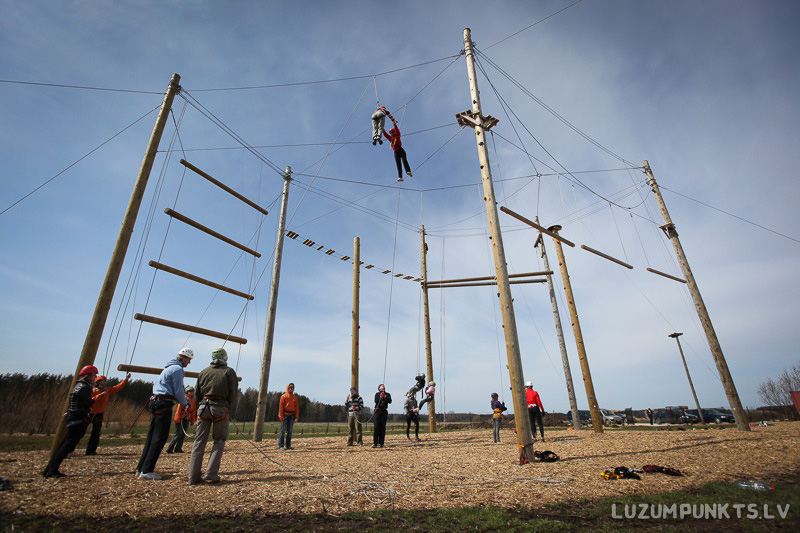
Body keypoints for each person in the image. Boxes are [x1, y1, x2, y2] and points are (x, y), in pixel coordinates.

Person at [135, 347, 193, 480]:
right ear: (183, 358)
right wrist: (185, 403)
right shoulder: (178, 370)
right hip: (164, 404)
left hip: (155, 402)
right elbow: (178, 390)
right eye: (188, 359)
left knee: (151, 437)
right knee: (160, 438)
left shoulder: (167, 368)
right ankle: (147, 470)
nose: (189, 362)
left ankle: (140, 468)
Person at [189, 348, 238, 485]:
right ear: (225, 358)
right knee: (219, 441)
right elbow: (233, 392)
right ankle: (211, 474)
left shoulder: (204, 372)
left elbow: (197, 392)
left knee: (199, 442)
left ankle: (193, 477)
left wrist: (200, 405)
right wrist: (228, 406)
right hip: (220, 407)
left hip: (203, 407)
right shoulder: (228, 372)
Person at [43, 365, 98, 478]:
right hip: (78, 419)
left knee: (65, 444)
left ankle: (50, 469)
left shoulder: (78, 385)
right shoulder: (84, 387)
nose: (95, 377)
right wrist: (96, 398)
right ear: (89, 376)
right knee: (67, 446)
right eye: (94, 374)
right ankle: (51, 470)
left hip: (73, 418)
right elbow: (88, 403)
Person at [85, 372, 130, 455]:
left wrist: (126, 379)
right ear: (98, 382)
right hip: (89, 413)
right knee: (80, 432)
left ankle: (91, 451)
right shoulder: (92, 390)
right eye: (103, 381)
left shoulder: (107, 390)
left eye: (105, 380)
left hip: (99, 414)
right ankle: (69, 449)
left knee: (96, 433)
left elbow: (117, 387)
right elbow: (90, 400)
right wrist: (100, 396)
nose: (105, 382)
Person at [166, 385, 196, 454]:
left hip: (186, 419)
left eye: (193, 391)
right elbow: (179, 409)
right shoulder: (183, 398)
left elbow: (193, 411)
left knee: (183, 434)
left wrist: (192, 420)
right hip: (180, 419)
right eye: (191, 391)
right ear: (187, 392)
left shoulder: (193, 400)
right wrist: (177, 418)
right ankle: (170, 448)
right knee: (178, 434)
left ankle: (178, 448)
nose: (192, 392)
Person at [382, 115, 412, 182]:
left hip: (401, 150)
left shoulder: (397, 135)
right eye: (391, 132)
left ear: (394, 132)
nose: (392, 133)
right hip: (396, 152)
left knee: (404, 160)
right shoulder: (390, 138)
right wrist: (382, 128)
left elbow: (397, 130)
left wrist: (395, 125)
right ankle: (400, 177)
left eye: (393, 132)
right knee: (398, 164)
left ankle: (408, 171)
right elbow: (385, 134)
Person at [278, 383, 299, 450]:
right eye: (290, 387)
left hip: (291, 416)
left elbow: (297, 408)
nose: (291, 389)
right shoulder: (283, 396)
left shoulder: (295, 398)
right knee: (283, 431)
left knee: (290, 431)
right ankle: (281, 445)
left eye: (293, 388)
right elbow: (281, 407)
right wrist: (281, 416)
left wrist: (296, 417)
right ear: (288, 388)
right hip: (284, 415)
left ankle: (288, 445)